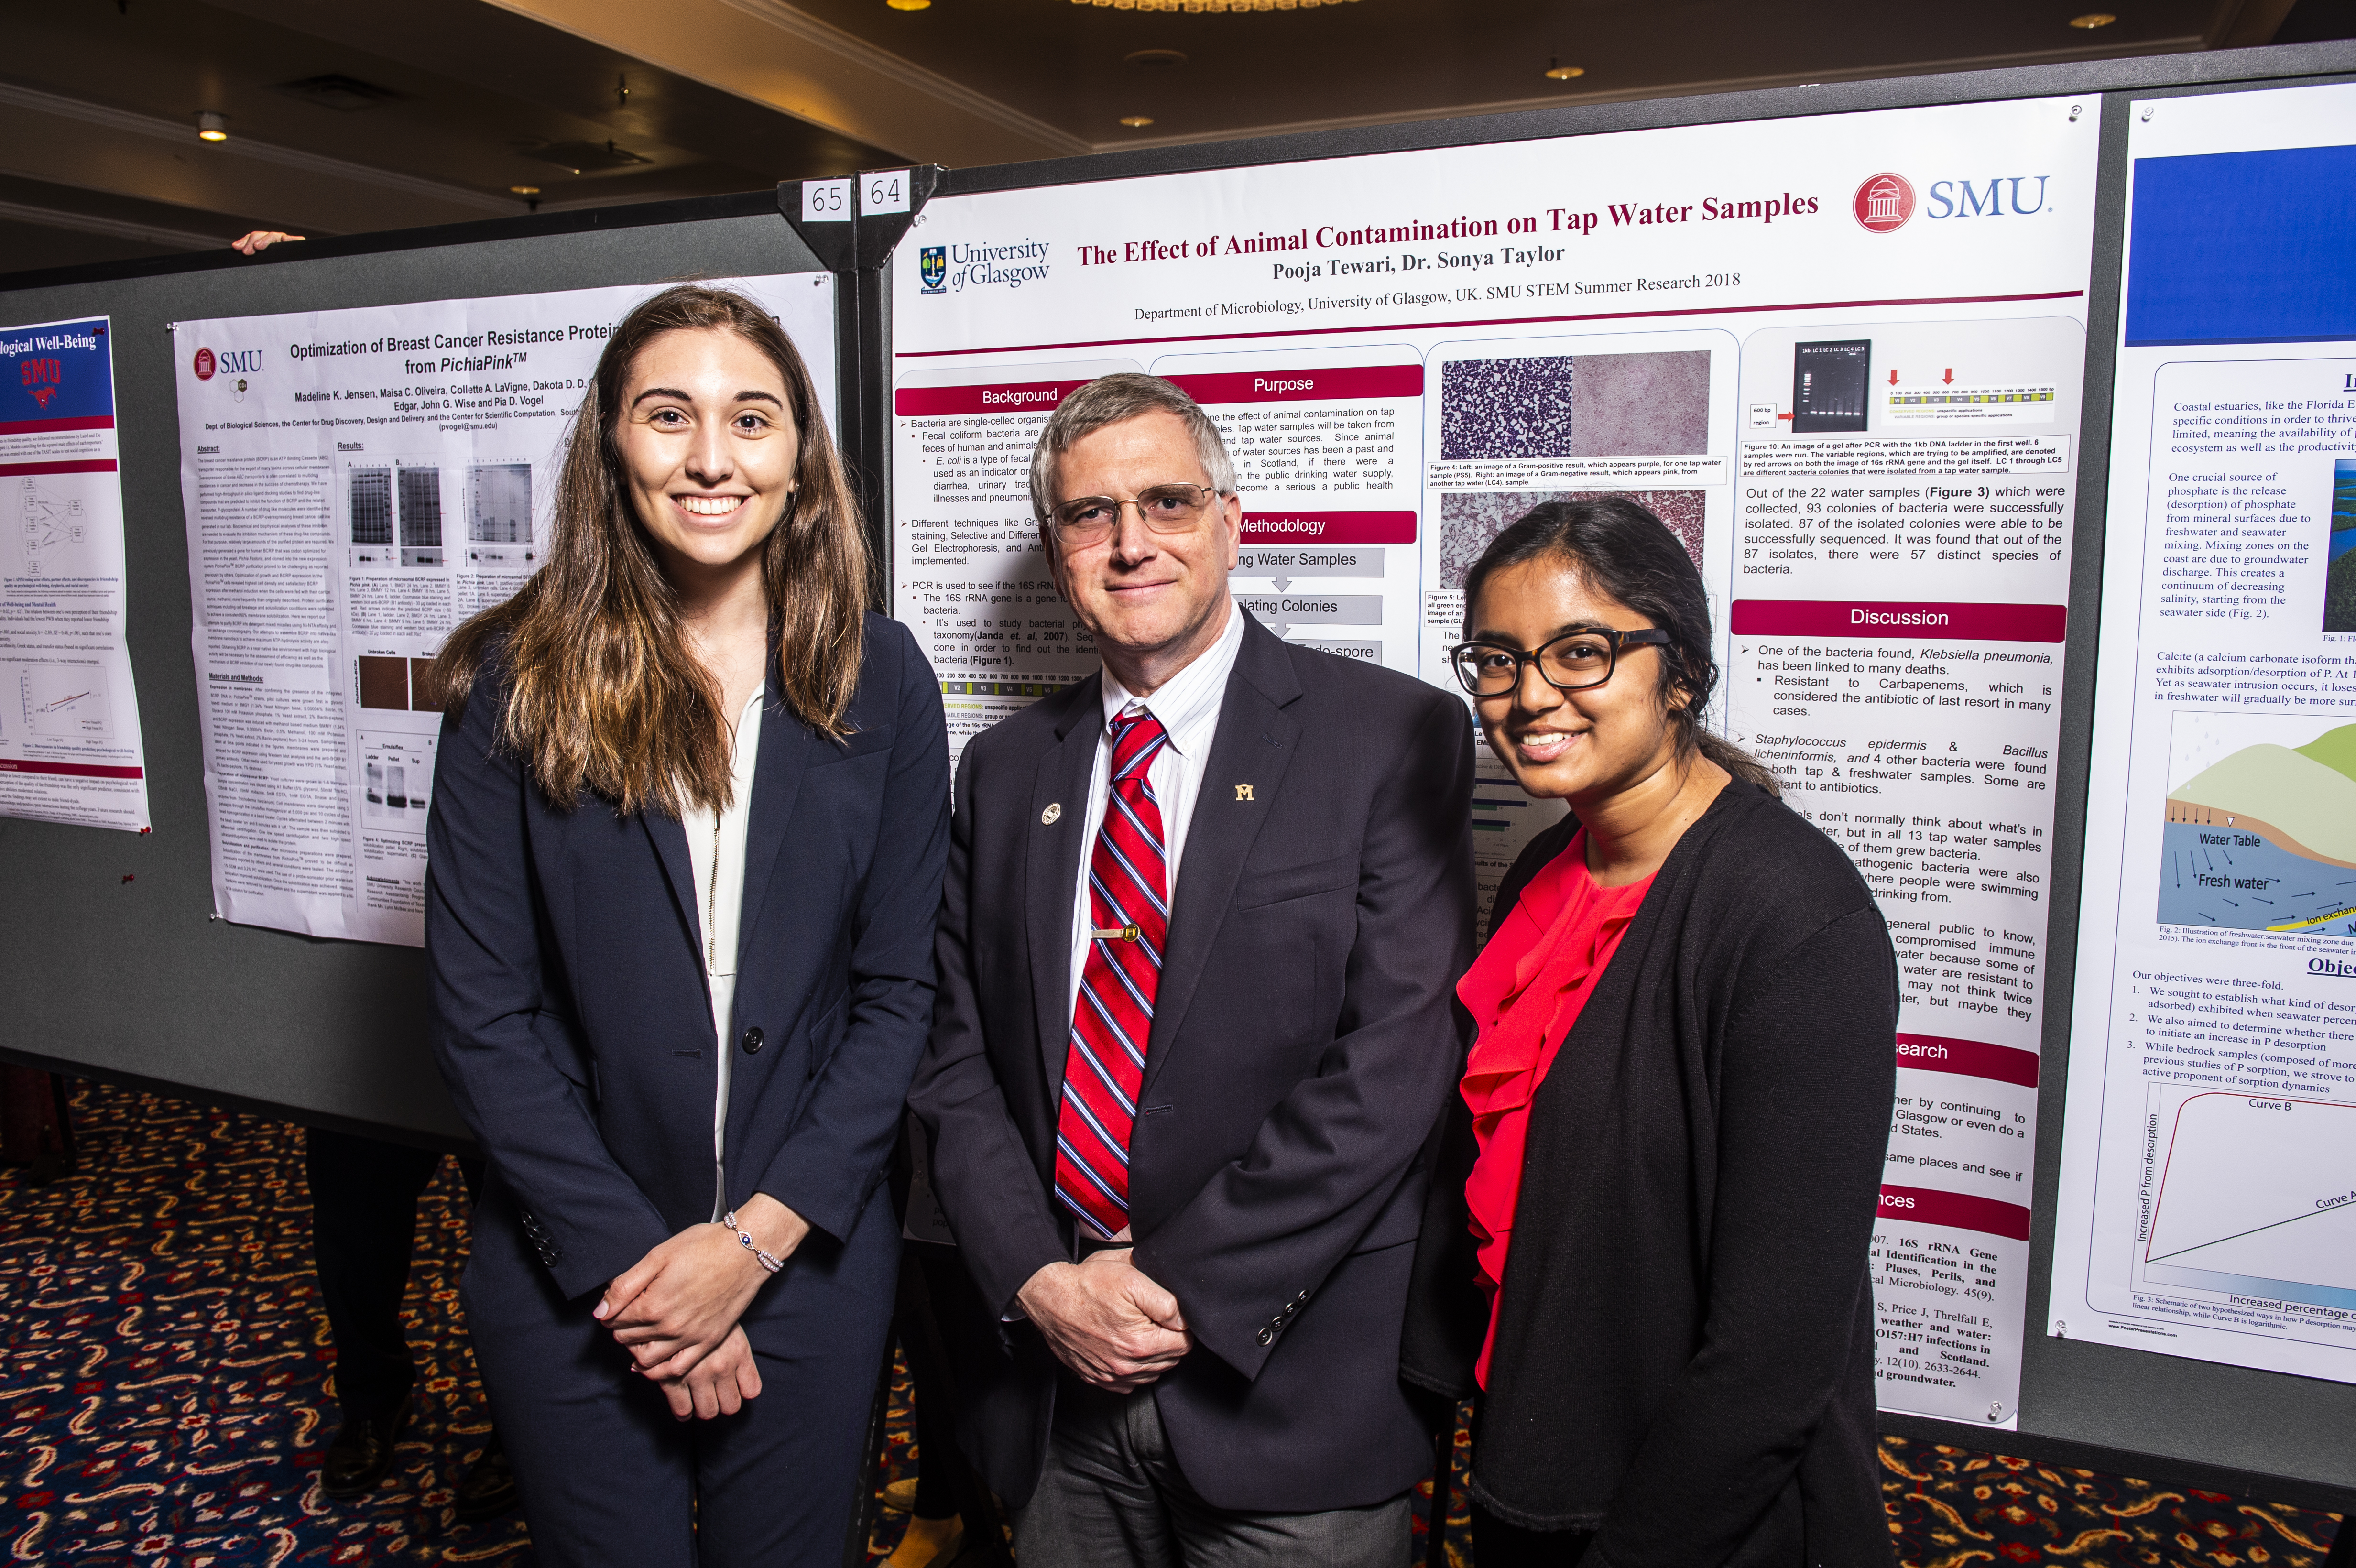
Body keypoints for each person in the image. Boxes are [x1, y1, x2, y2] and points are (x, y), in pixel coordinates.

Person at [909, 372, 1475, 1567]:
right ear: (1055, 545)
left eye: (1166, 501)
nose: (1130, 545)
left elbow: (1393, 1064)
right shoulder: (1006, 770)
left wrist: (1164, 1286)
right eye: (1088, 514)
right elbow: (956, 1062)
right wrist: (1044, 1284)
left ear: (1231, 518)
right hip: (1055, 1385)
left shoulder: (1389, 736)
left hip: (1287, 1379)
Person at [425, 284, 949, 1565]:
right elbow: (484, 1018)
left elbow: (896, 1000)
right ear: (614, 443)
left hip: (808, 1255)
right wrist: (640, 1272)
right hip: (575, 1261)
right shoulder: (513, 683)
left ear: (800, 459)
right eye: (671, 416)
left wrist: (753, 1246)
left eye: (751, 420)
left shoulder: (881, 677)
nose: (712, 457)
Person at [1399, 497, 1898, 1567]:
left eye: (1581, 651)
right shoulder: (1545, 869)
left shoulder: (1795, 916)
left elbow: (1773, 1356)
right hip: (1537, 1468)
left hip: (1695, 1525)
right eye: (1498, 657)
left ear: (1678, 670)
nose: (1531, 695)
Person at [305, 1130, 516, 1521]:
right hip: (363, 1072)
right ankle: (371, 1396)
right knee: (350, 1202)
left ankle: (522, 1424)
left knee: (515, 1213)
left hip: (511, 1074)